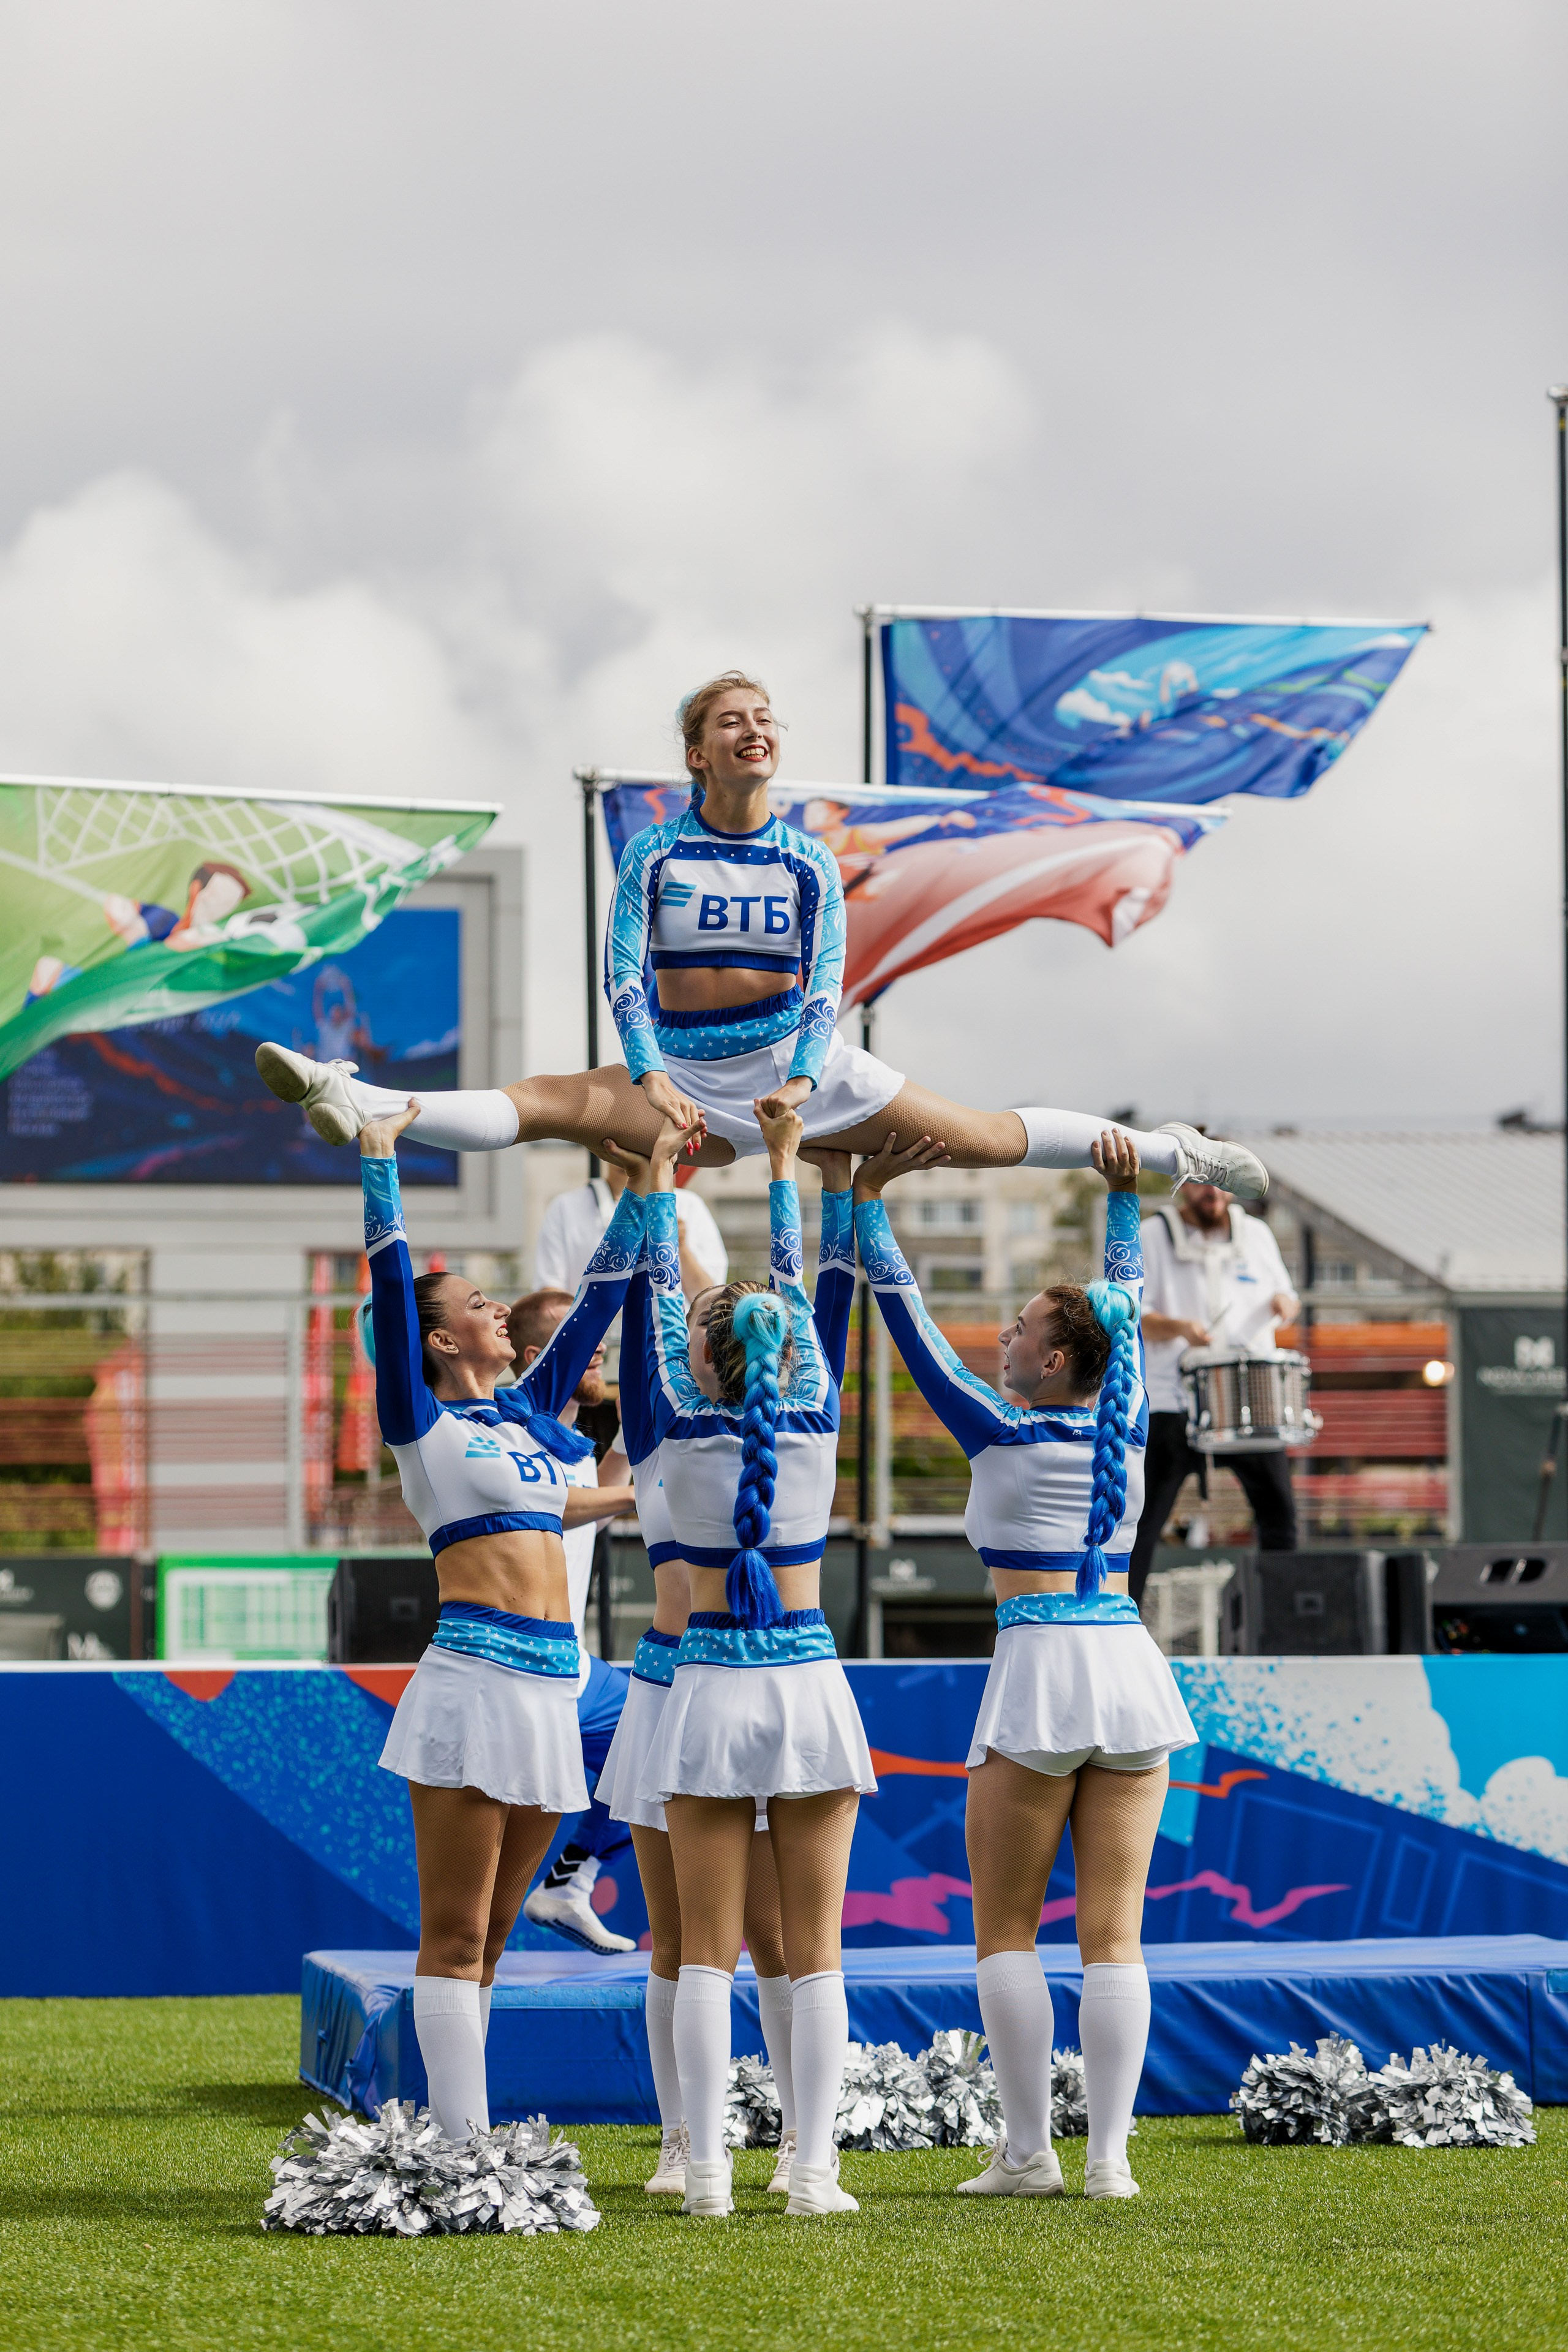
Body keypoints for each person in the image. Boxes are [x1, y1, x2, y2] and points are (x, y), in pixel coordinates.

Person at [251, 673, 1270, 1202]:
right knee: (547, 1105)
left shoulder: (808, 858)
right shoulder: (654, 849)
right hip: (684, 1075)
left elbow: (828, 981)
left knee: (988, 1140)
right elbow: (625, 978)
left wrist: (800, 1077)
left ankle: (1177, 1153)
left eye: (767, 718)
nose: (755, 730)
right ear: (696, 751)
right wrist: (649, 1077)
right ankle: (354, 1094)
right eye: (732, 720)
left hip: (799, 1067)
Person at [854, 1125, 1196, 2202]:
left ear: (1054, 1358)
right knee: (1116, 1934)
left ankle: (1029, 2153)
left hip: (1043, 1669)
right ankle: (1110, 2163)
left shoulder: (1000, 1427)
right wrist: (1125, 1200)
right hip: (1130, 1669)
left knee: (1006, 1928)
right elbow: (1126, 1309)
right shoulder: (1127, 1424)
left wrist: (865, 1203)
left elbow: (906, 1324)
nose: (1002, 1333)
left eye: (1022, 1325)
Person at [355, 1095, 644, 2143]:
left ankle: (461, 2141)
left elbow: (602, 1303)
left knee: (493, 1945)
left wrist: (648, 1185)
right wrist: (378, 1160)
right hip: (472, 1682)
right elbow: (390, 1296)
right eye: (482, 1303)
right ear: (440, 1337)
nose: (501, 1313)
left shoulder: (533, 1428)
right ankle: (461, 2148)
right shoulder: (420, 1422)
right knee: (455, 1928)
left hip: (547, 1690)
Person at [620, 1101, 873, 2221]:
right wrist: (784, 1162)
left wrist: (664, 1182)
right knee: (811, 1952)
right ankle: (811, 2173)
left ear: (701, 1362)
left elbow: (654, 1309)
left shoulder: (673, 1426)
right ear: (790, 1357)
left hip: (710, 1689)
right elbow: (808, 1288)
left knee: (704, 1954)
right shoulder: (814, 1423)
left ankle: (708, 2174)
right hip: (810, 1687)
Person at [500, 1289, 639, 1956]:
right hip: (522, 1668)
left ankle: (569, 1883)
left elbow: (598, 1497)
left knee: (656, 1742)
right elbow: (548, 1507)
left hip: (565, 1668)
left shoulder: (572, 1444)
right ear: (539, 1358)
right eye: (585, 1341)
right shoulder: (511, 1435)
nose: (602, 1347)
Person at [1128, 1172, 1302, 1603]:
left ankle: (1285, 1616)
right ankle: (1120, 1618)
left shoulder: (1257, 1233)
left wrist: (1286, 1304)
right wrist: (1180, 1328)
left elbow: (1289, 1296)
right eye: (1205, 1185)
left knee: (1279, 1513)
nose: (1215, 1195)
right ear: (1183, 1185)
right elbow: (1133, 1311)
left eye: (1223, 1185)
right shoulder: (1151, 1234)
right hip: (1175, 1395)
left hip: (1250, 1397)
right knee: (1143, 1519)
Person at [535, 1158, 727, 1300]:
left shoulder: (689, 1206)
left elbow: (708, 1298)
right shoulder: (566, 1207)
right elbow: (551, 1293)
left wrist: (681, 1247)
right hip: (595, 1343)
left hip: (668, 1341)